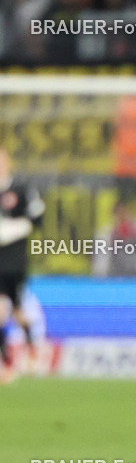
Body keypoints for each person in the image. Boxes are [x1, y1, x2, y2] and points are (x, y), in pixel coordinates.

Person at [0, 146, 45, 381]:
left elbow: (37, 216)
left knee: (18, 312)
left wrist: (16, 228)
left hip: (14, 261)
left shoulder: (20, 189)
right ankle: (5, 364)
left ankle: (33, 349)